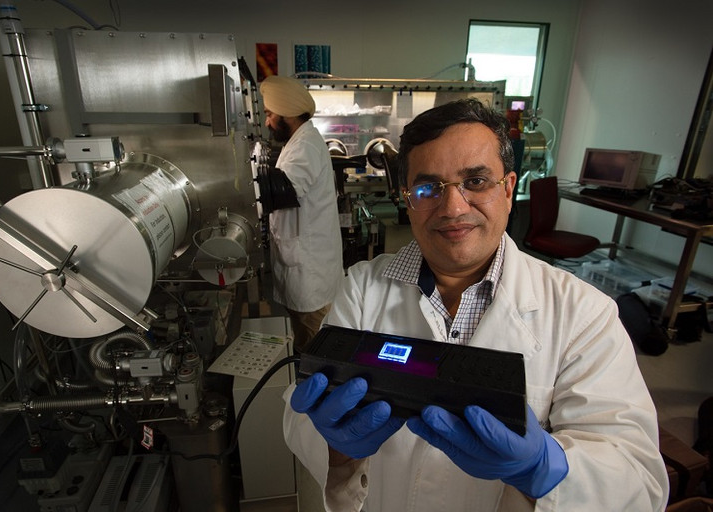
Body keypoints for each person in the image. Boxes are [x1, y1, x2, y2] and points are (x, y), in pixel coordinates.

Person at [283, 99, 669, 511]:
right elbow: (304, 413)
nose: (453, 208)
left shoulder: (584, 314)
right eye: (428, 188)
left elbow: (639, 483)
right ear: (407, 199)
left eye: (477, 181)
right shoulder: (362, 288)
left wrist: (545, 468)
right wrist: (337, 448)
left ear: (508, 189)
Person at [259, 75, 343, 353]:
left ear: (287, 113)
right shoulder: (297, 141)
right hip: (302, 264)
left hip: (310, 273)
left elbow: (284, 190)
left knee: (316, 348)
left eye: (270, 114)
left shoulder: (305, 145)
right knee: (305, 341)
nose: (267, 122)